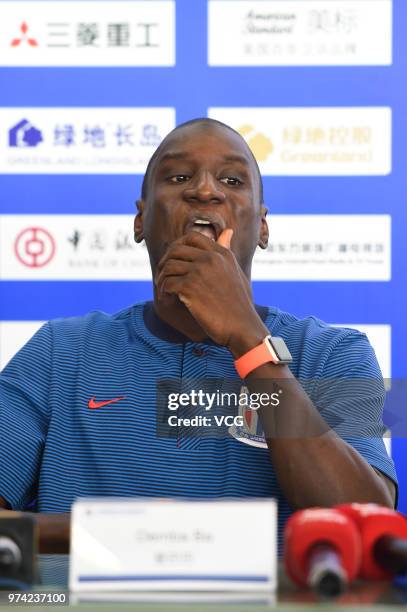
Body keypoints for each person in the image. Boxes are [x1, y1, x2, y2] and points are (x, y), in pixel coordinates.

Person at [0, 118, 397, 553]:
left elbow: (371, 525)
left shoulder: (332, 353)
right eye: (179, 177)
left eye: (231, 179)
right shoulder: (61, 352)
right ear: (140, 220)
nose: (205, 191)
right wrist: (116, 532)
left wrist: (249, 339)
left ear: (262, 227)